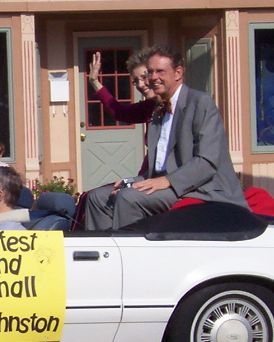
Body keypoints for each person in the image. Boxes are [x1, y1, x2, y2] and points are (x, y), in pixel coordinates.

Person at [81, 44, 247, 231]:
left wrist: (166, 181)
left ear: (177, 73)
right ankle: (105, 255)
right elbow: (158, 167)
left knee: (128, 198)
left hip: (202, 189)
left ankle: (134, 257)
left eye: (159, 71)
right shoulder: (158, 108)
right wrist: (132, 181)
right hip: (163, 184)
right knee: (98, 197)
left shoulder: (201, 103)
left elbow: (207, 162)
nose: (152, 78)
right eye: (150, 72)